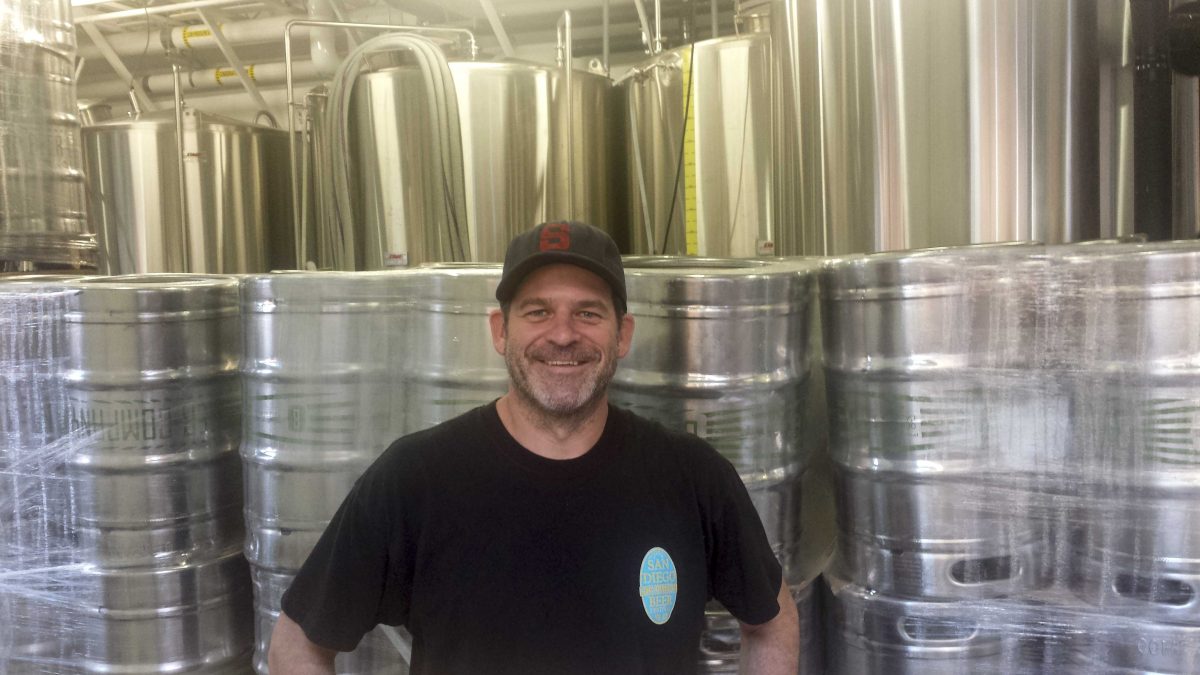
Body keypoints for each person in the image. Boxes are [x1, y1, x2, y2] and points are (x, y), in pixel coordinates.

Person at [269, 221, 800, 674]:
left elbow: (771, 621)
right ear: (501, 331)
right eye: (537, 311)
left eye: (588, 313)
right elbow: (299, 643)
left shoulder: (691, 476)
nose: (563, 334)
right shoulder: (416, 478)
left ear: (623, 335)